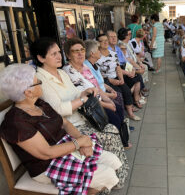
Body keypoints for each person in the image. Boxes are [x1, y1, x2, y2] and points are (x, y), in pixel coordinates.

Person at [0, 64, 121, 194]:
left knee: (112, 161)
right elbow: (46, 153)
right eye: (38, 82)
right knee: (107, 174)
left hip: (66, 149)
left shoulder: (39, 104)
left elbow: (65, 122)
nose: (42, 84)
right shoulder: (16, 121)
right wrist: (79, 143)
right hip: (47, 165)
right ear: (28, 92)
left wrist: (82, 141)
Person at [31, 38, 129, 189]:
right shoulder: (41, 79)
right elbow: (58, 110)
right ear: (40, 58)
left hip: (81, 119)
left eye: (59, 52)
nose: (59, 57)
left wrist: (85, 91)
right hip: (68, 127)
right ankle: (112, 180)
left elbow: (75, 92)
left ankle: (114, 177)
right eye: (53, 54)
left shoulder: (61, 73)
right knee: (110, 133)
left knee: (112, 129)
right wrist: (83, 98)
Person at [62, 38, 131, 149]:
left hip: (99, 101)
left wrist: (109, 100)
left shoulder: (84, 67)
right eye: (75, 51)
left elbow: (97, 87)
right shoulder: (69, 71)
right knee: (114, 118)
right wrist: (107, 104)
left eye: (82, 50)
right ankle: (116, 145)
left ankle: (121, 141)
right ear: (68, 55)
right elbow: (86, 97)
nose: (80, 54)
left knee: (118, 108)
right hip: (90, 107)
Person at [97, 33, 143, 120]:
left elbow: (118, 67)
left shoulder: (113, 53)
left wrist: (121, 79)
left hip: (116, 77)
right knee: (118, 94)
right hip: (106, 80)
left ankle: (130, 113)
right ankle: (121, 117)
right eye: (102, 41)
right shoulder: (97, 56)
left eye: (106, 40)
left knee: (126, 90)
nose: (105, 42)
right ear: (98, 43)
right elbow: (98, 73)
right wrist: (111, 80)